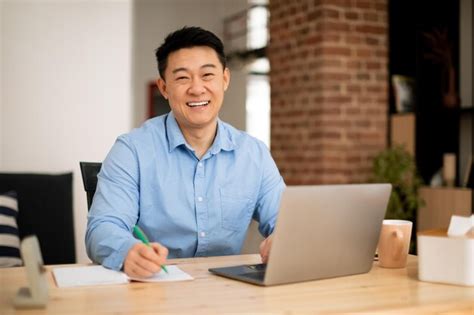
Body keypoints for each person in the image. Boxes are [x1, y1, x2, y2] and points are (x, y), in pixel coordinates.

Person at [85, 26, 285, 278]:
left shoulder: (253, 154)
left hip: (227, 291)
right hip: (154, 288)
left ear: (225, 79)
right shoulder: (131, 150)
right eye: (182, 78)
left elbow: (284, 221)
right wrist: (128, 251)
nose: (197, 88)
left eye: (207, 75)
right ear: (164, 87)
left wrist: (283, 239)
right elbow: (103, 227)